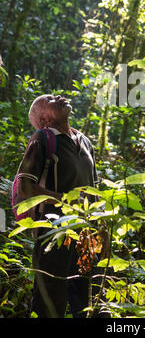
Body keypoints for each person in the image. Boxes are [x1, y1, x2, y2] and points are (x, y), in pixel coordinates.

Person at [16, 94, 107, 318]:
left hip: (87, 237)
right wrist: (64, 199)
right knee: (49, 306)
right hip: (53, 235)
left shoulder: (84, 141)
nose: (59, 97)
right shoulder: (41, 138)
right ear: (45, 119)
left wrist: (103, 229)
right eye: (51, 99)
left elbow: (94, 190)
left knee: (92, 304)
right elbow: (24, 187)